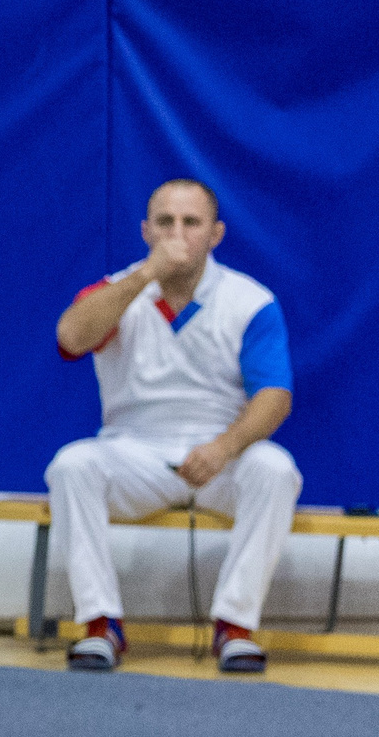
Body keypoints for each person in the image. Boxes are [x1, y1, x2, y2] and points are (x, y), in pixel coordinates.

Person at [49, 177, 298, 673]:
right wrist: (146, 277)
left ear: (216, 234)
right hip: (134, 452)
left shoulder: (250, 301)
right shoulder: (118, 290)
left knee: (275, 470)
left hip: (218, 455)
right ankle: (100, 625)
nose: (177, 233)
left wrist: (224, 447)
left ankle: (235, 626)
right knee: (71, 465)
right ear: (146, 230)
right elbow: (71, 339)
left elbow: (275, 396)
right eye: (165, 222)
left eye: (191, 222)